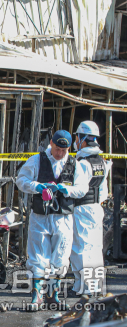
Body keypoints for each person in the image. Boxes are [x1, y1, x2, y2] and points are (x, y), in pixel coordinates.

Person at [16, 130, 88, 311]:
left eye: (64, 150)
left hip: (63, 217)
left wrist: (67, 189)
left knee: (61, 257)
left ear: (69, 148)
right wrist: (37, 187)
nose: (60, 153)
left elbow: (83, 188)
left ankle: (53, 295)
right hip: (40, 217)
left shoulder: (74, 164)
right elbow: (21, 180)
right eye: (57, 149)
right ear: (51, 143)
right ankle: (36, 296)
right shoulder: (37, 160)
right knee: (37, 256)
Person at [71, 121, 111, 296]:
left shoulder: (82, 163)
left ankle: (83, 287)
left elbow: (78, 190)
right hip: (96, 208)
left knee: (81, 248)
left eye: (77, 137)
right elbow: (104, 192)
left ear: (82, 139)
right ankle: (95, 285)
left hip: (82, 209)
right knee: (95, 247)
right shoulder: (102, 162)